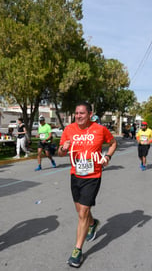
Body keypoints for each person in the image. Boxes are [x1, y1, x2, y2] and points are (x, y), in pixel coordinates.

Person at [58, 102, 117, 268]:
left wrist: (107, 157)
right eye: (76, 113)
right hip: (75, 175)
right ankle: (93, 223)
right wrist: (63, 147)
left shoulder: (100, 129)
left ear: (90, 114)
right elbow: (60, 152)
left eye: (82, 113)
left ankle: (77, 251)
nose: (78, 116)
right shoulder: (69, 129)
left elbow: (113, 143)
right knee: (80, 211)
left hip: (93, 175)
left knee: (83, 212)